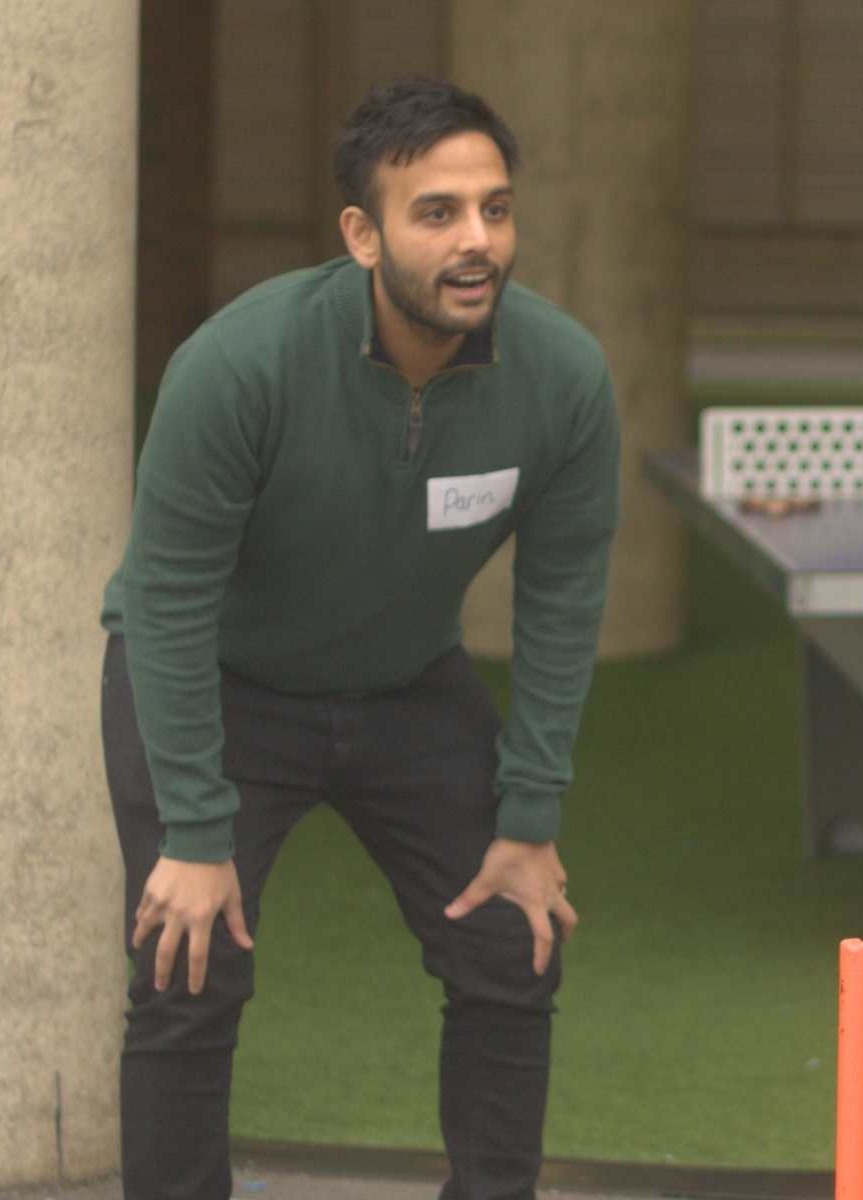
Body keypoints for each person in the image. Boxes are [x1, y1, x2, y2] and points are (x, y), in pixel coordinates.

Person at [100, 75, 619, 1200]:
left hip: (403, 684)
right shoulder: (239, 366)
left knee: (511, 946)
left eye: (494, 207)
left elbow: (565, 599)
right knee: (188, 970)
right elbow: (169, 601)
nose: (476, 240)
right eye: (436, 213)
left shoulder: (563, 377)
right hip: (218, 680)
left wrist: (529, 819)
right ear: (362, 234)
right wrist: (195, 829)